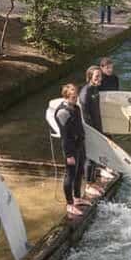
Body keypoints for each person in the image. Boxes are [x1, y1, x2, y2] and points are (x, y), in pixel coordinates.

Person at [54, 84, 90, 216]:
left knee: (80, 171)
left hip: (80, 145)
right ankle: (69, 204)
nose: (76, 99)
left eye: (76, 97)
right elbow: (64, 136)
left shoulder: (76, 108)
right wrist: (69, 155)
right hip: (70, 148)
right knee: (70, 175)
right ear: (66, 96)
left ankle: (77, 197)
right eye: (73, 97)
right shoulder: (62, 112)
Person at [78, 66, 104, 194]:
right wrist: (92, 132)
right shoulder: (85, 93)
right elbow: (85, 116)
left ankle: (93, 182)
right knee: (90, 157)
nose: (100, 79)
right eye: (96, 77)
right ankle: (88, 185)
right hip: (90, 129)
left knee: (96, 155)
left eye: (100, 76)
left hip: (97, 126)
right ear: (90, 78)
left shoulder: (95, 89)